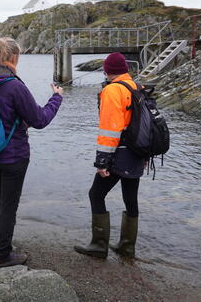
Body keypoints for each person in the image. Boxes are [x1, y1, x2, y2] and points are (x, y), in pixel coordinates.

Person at [0, 37, 63, 268]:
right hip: (13, 156)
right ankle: (3, 255)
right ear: (13, 57)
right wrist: (56, 97)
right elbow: (40, 119)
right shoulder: (13, 85)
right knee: (8, 205)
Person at [74, 52, 145, 259]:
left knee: (96, 194)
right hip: (138, 152)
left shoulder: (113, 90)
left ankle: (99, 245)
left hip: (120, 153)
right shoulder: (136, 87)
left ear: (107, 71)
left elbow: (110, 130)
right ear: (125, 70)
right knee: (130, 199)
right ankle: (127, 246)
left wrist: (102, 162)